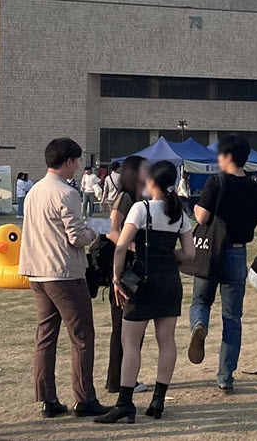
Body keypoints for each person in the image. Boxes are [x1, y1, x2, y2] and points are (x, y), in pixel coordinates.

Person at [96, 161, 194, 424]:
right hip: (169, 281)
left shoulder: (142, 208)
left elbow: (121, 246)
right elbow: (189, 254)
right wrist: (166, 255)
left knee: (130, 344)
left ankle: (125, 402)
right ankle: (158, 400)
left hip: (143, 281)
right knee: (167, 341)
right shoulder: (179, 213)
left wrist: (117, 279)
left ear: (151, 182)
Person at [18, 138, 110, 419]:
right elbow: (76, 237)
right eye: (77, 161)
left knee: (45, 336)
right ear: (68, 161)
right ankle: (84, 397)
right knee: (82, 335)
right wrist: (95, 230)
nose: (78, 166)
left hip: (36, 270)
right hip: (63, 272)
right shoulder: (66, 193)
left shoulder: (34, 190)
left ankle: (47, 398)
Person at [188, 134, 257, 392]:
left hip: (211, 252)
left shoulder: (216, 182)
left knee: (201, 301)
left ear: (228, 157)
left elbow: (201, 218)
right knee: (232, 318)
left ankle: (199, 324)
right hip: (237, 253)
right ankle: (225, 377)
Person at [103, 156, 149, 394]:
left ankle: (122, 379)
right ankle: (119, 381)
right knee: (123, 325)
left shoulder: (139, 198)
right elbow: (112, 230)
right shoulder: (125, 198)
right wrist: (130, 246)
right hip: (123, 268)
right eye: (144, 169)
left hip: (131, 267)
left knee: (128, 325)